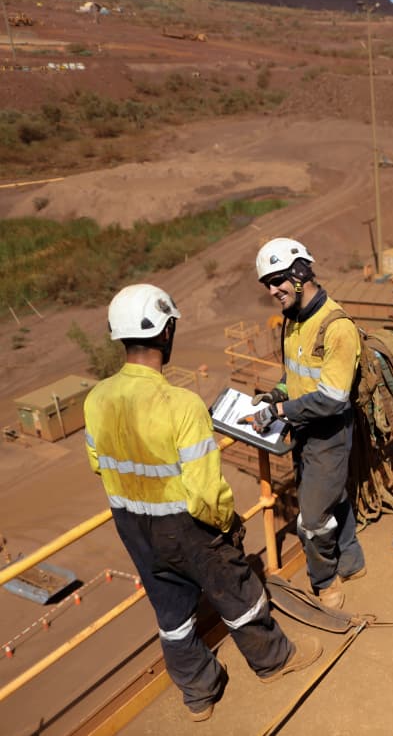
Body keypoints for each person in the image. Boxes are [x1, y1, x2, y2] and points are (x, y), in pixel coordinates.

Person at [84, 284, 321, 722]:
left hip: (132, 525)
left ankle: (199, 693)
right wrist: (227, 524)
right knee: (236, 590)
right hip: (186, 524)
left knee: (170, 609)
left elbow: (98, 464)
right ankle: (274, 661)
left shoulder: (96, 399)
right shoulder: (181, 404)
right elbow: (204, 492)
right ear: (167, 330)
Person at [252, 238, 366, 609]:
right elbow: (295, 377)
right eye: (267, 283)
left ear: (301, 273)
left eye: (278, 280)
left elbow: (333, 398)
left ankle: (326, 582)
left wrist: (280, 413)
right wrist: (275, 395)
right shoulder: (293, 321)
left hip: (330, 433)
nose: (272, 290)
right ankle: (351, 561)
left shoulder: (337, 327)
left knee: (312, 519)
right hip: (305, 429)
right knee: (334, 494)